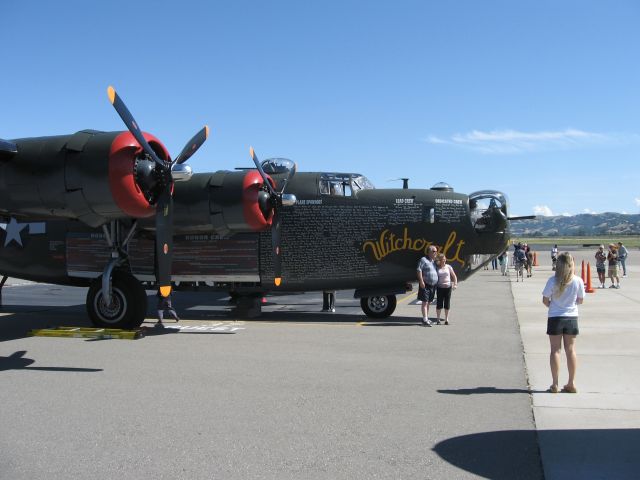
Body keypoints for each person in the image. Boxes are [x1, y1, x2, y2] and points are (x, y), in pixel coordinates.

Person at [542, 252, 584, 394]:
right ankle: (571, 383)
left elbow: (545, 300)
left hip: (555, 317)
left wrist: (553, 306)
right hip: (571, 317)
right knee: (571, 350)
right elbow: (580, 300)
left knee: (555, 350)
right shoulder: (578, 281)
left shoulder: (552, 281)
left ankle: (555, 383)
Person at [416, 245, 439, 326]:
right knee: (425, 302)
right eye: (434, 251)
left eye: (436, 251)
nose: (436, 253)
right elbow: (419, 270)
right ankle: (425, 320)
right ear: (429, 252)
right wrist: (421, 281)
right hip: (425, 285)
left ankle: (426, 318)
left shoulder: (433, 262)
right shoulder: (423, 260)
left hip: (433, 286)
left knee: (428, 302)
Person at [434, 253, 457, 325]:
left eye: (444, 259)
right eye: (442, 260)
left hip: (448, 287)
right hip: (440, 287)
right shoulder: (437, 268)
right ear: (439, 260)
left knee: (447, 303)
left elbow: (454, 276)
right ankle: (438, 319)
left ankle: (446, 319)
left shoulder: (449, 267)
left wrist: (455, 284)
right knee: (439, 304)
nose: (443, 261)